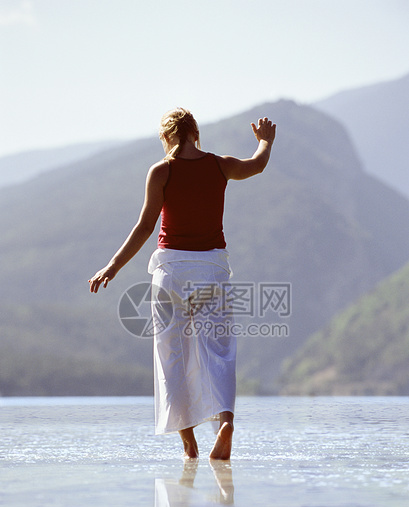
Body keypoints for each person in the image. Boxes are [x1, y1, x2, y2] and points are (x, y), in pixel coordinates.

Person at [89, 108, 276, 460]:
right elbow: (257, 165)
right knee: (218, 351)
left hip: (171, 272)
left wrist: (112, 266)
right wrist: (266, 141)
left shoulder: (161, 171)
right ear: (195, 132)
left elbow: (146, 226)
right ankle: (225, 422)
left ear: (167, 136)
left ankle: (189, 443)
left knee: (171, 357)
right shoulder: (220, 165)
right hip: (212, 270)